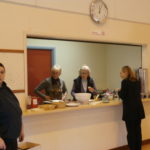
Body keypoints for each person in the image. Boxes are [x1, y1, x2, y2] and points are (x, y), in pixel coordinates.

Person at [118, 66, 145, 150]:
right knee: (137, 132)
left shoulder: (124, 82)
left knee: (131, 133)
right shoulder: (137, 81)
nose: (120, 74)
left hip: (130, 112)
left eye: (121, 72)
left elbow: (122, 95)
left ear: (126, 72)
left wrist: (119, 91)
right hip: (138, 110)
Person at [0, 63, 24, 150]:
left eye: (2, 72)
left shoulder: (7, 89)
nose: (0, 75)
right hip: (2, 140)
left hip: (12, 138)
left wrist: (21, 129)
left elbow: (17, 110)